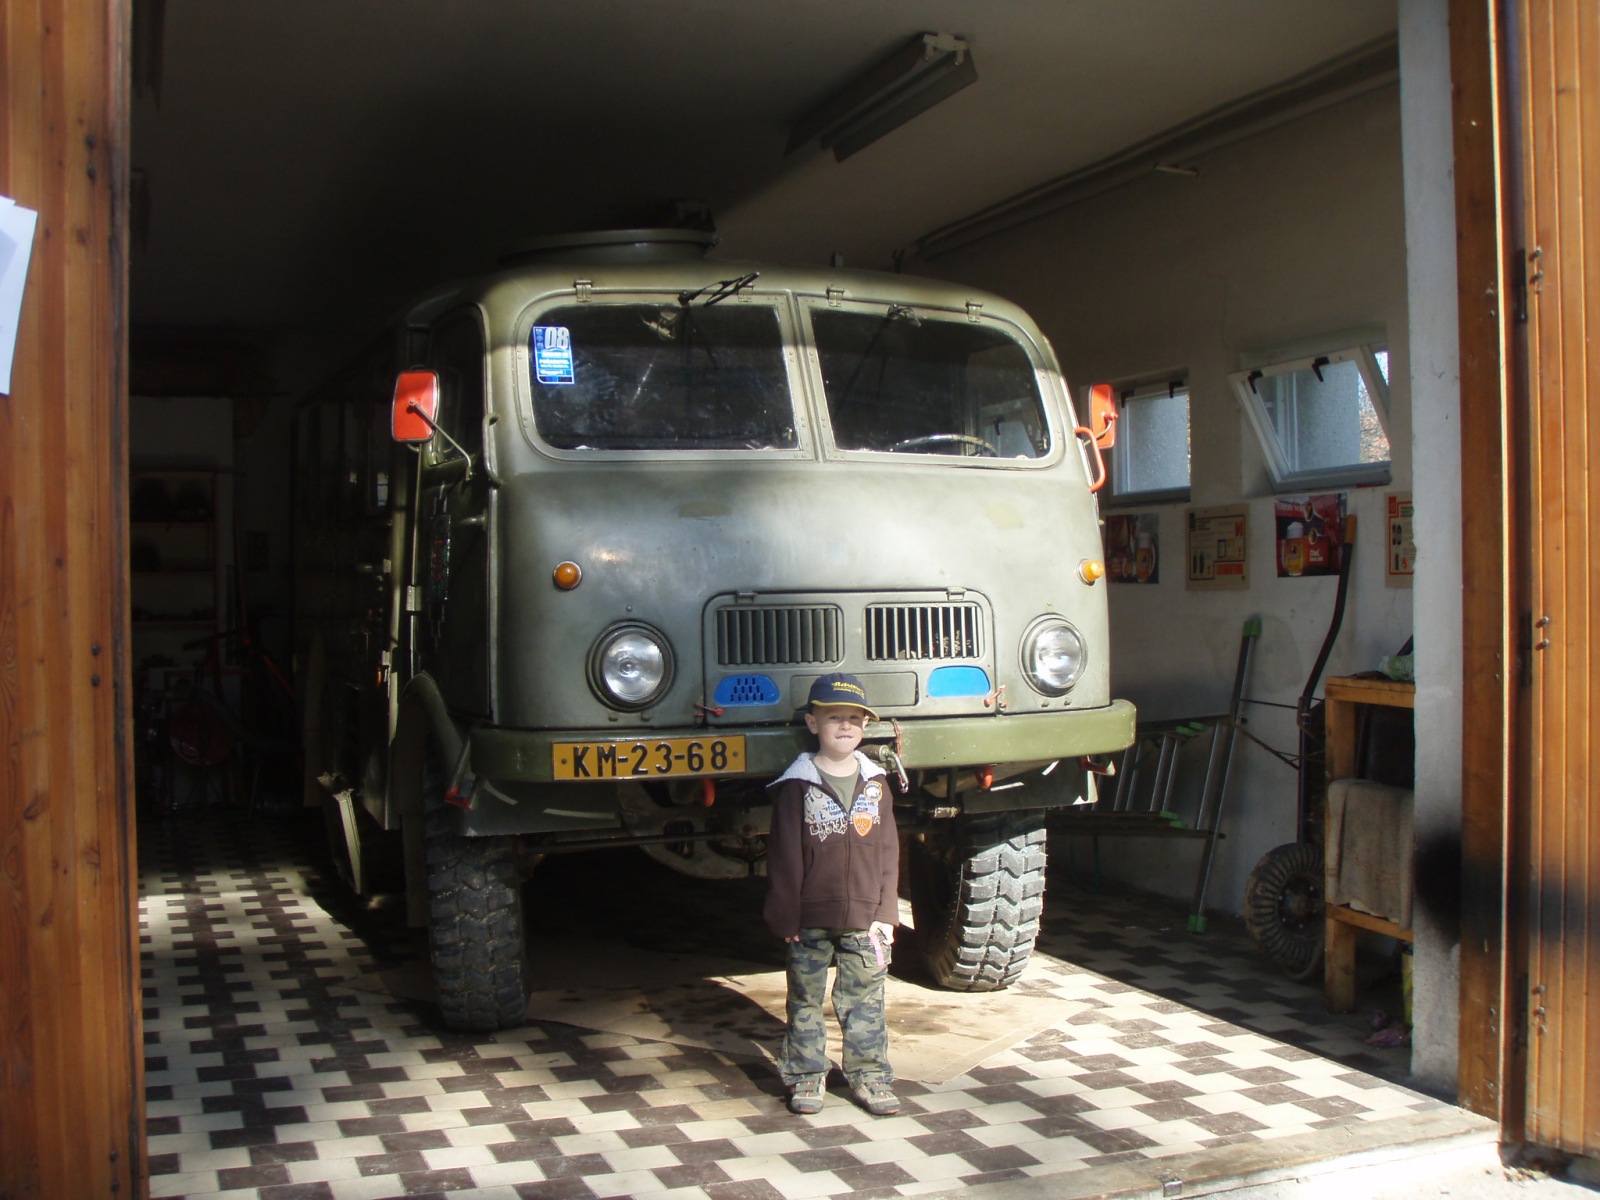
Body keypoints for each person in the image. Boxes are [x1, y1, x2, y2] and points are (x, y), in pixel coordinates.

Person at [764, 672, 900, 1116]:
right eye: (834, 717)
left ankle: (870, 1076)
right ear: (812, 723)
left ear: (865, 725)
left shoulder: (876, 783)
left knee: (865, 1001)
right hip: (809, 920)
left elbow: (888, 851)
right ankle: (805, 1075)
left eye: (854, 719)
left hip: (866, 920)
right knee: (805, 1000)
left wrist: (886, 913)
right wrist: (786, 916)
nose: (845, 726)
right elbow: (784, 855)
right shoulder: (797, 785)